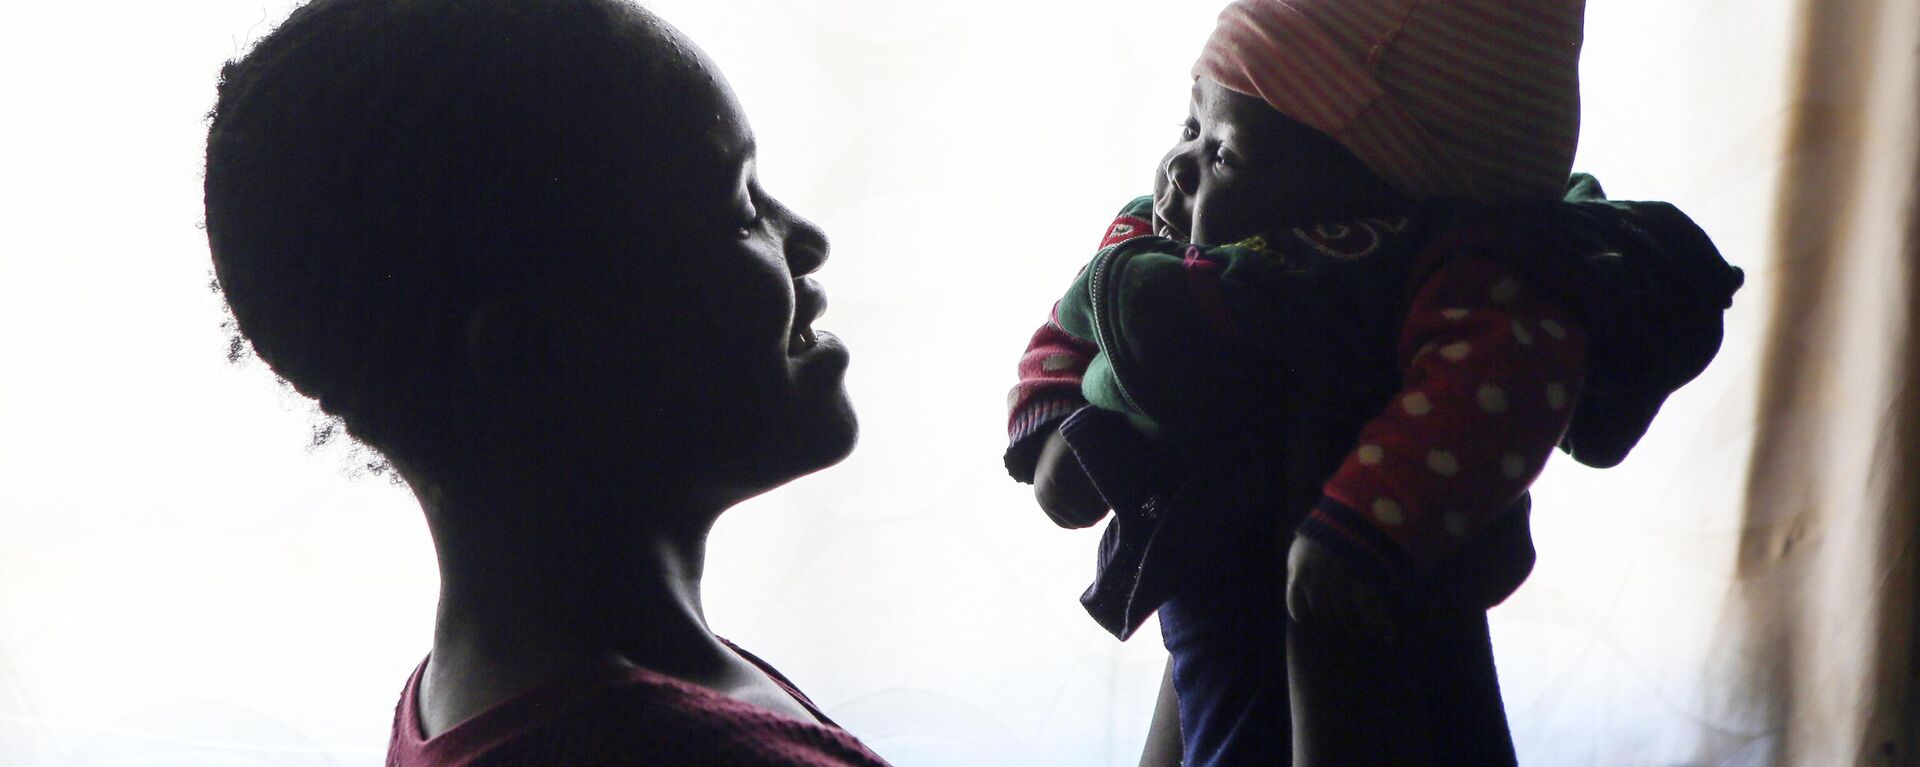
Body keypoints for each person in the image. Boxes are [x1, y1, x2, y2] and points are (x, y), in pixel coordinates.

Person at [1002, 1, 1742, 765]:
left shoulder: (1439, 274)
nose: (1178, 168)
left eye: (1224, 154)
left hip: (1354, 614)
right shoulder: (1170, 253)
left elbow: (1499, 377)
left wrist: (1367, 525)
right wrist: (1062, 417)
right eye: (1190, 128)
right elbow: (1089, 300)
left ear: (1371, 191)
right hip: (1209, 606)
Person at [204, 1, 891, 764]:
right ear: (535, 352)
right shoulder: (680, 753)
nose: (807, 239)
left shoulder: (466, 700)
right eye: (738, 208)